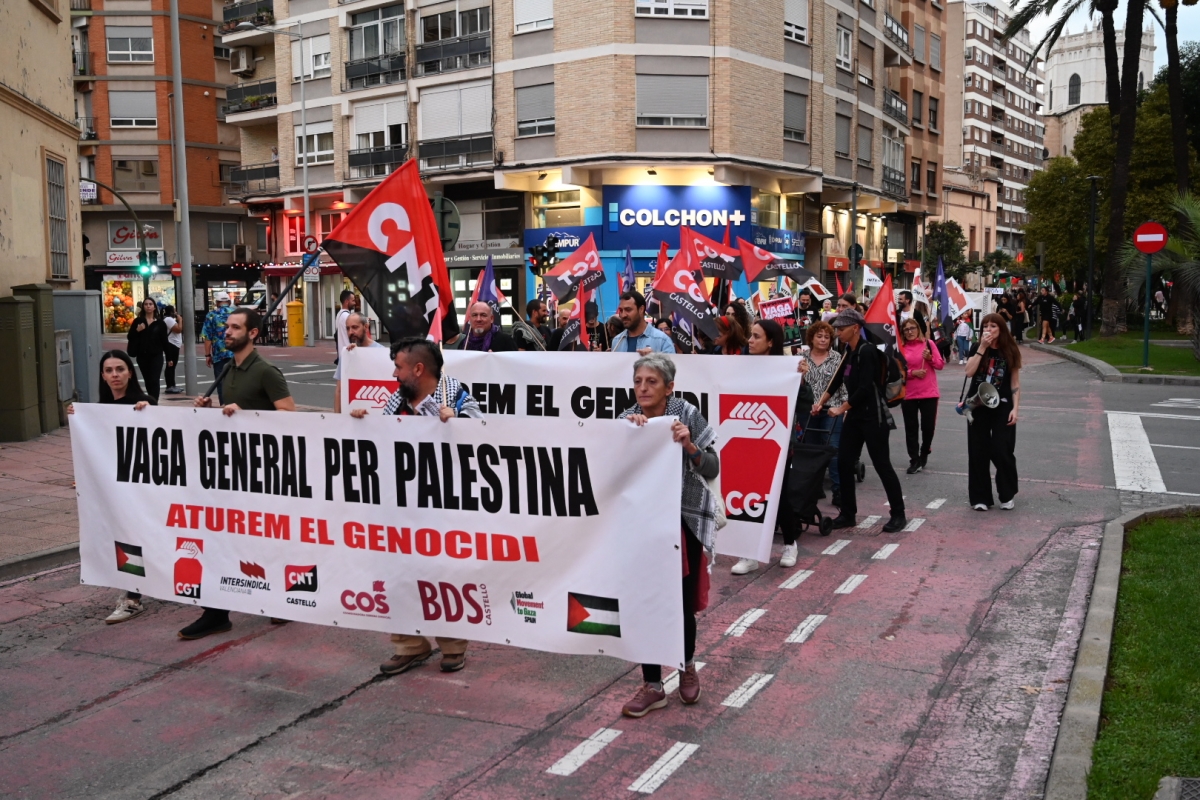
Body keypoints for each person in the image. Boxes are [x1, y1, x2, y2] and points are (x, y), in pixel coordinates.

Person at [350, 338, 482, 675]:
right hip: (401, 507)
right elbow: (379, 439)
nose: (394, 374)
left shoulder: (456, 395)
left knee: (444, 574)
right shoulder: (397, 400)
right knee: (397, 573)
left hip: (445, 507)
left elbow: (485, 434)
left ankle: (452, 646)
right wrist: (363, 422)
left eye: (399, 367)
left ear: (418, 370)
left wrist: (460, 423)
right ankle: (409, 644)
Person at [184, 309, 295, 640]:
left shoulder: (265, 372)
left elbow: (290, 416)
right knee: (220, 539)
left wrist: (246, 416)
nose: (226, 332)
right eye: (227, 327)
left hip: (263, 472)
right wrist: (209, 413)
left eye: (235, 327)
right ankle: (216, 612)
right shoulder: (228, 368)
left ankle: (281, 599)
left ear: (254, 334)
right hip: (231, 470)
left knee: (265, 539)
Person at [618, 353, 718, 717]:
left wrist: (690, 446)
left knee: (680, 602)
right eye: (638, 382)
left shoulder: (686, 413)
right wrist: (628, 438)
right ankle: (652, 685)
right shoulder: (627, 420)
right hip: (641, 525)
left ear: (669, 386)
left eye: (651, 382)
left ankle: (686, 667)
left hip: (682, 522)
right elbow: (612, 470)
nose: (643, 388)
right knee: (646, 601)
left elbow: (712, 466)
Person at [69, 350, 154, 624]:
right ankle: (133, 592)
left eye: (120, 369)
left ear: (130, 372)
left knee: (134, 540)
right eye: (109, 370)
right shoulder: (98, 409)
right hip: (112, 490)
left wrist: (150, 415)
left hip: (139, 489)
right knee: (121, 540)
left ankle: (133, 598)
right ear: (103, 376)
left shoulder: (144, 403)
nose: (115, 375)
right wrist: (78, 417)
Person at [815, 309, 907, 532]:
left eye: (841, 329)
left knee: (882, 465)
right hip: (855, 416)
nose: (837, 333)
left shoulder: (867, 352)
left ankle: (898, 514)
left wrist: (840, 408)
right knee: (844, 463)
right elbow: (837, 379)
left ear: (855, 329)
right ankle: (848, 514)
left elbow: (865, 388)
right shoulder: (849, 350)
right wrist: (821, 401)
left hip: (872, 416)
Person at [731, 319, 791, 575]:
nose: (750, 340)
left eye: (756, 336)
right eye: (750, 336)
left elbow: (804, 402)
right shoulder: (740, 367)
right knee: (747, 492)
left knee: (780, 494)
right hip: (747, 443)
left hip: (776, 443)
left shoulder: (786, 369)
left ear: (771, 342)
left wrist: (799, 377)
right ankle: (749, 552)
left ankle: (790, 544)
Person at [963, 313, 1022, 511]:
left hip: (1002, 404)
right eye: (985, 326)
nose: (989, 330)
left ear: (1001, 329)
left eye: (993, 326)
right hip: (977, 404)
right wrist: (981, 347)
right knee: (978, 450)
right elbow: (969, 372)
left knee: (1001, 449)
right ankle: (980, 497)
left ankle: (1007, 493)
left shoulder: (1010, 350)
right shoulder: (978, 347)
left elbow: (1015, 383)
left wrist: (1015, 408)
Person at [803, 321, 847, 507]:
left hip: (831, 410)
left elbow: (843, 384)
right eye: (819, 336)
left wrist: (844, 408)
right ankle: (813, 489)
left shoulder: (837, 358)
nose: (823, 340)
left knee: (833, 451)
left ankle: (838, 491)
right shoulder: (801, 358)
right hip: (809, 411)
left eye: (827, 337)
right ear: (811, 338)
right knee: (811, 452)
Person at [898, 318, 944, 474]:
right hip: (908, 394)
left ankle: (924, 452)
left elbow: (940, 365)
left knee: (928, 427)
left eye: (912, 328)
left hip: (928, 393)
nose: (910, 331)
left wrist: (930, 359)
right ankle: (914, 459)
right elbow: (898, 371)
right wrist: (912, 373)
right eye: (906, 329)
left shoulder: (928, 344)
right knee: (911, 429)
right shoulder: (901, 348)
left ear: (918, 329)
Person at [334, 311, 385, 402]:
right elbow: (339, 390)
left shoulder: (381, 351)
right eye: (348, 328)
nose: (351, 332)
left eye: (355, 327)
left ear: (366, 327)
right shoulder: (347, 354)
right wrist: (337, 416)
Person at [126, 297, 167, 402]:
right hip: (142, 356)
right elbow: (130, 336)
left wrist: (170, 357)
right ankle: (151, 399)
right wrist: (137, 330)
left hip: (156, 356)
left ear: (154, 307)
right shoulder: (138, 321)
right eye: (146, 304)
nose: (148, 306)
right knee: (148, 380)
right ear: (143, 307)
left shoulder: (160, 323)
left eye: (150, 304)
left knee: (154, 379)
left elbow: (164, 341)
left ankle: (154, 401)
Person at [201, 292, 233, 404]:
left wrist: (207, 355)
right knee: (237, 380)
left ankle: (224, 404)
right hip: (236, 353)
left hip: (219, 354)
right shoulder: (237, 314)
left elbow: (207, 337)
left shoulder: (211, 315)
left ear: (217, 302)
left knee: (220, 381)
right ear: (229, 302)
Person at [161, 305, 184, 394]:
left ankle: (172, 384)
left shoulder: (171, 319)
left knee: (172, 365)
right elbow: (178, 330)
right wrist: (180, 320)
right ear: (171, 311)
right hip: (171, 344)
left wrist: (180, 320)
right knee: (170, 365)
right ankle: (169, 386)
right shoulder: (168, 320)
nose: (175, 312)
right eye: (174, 311)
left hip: (175, 344)